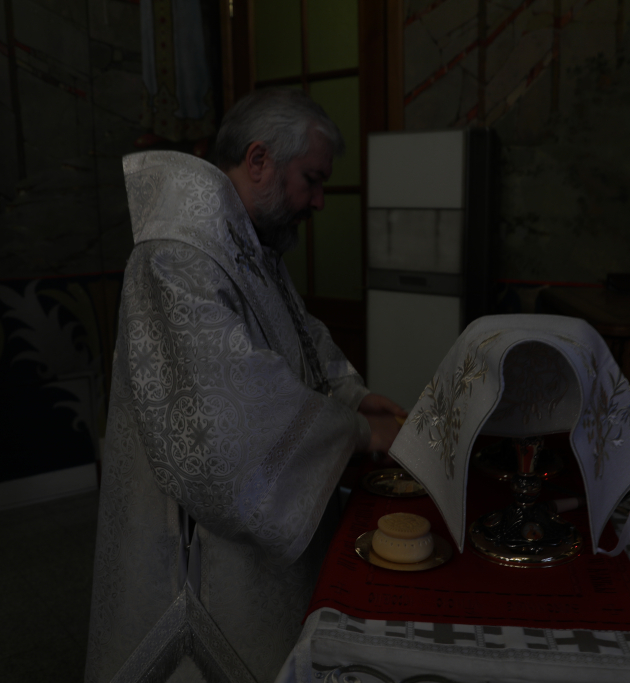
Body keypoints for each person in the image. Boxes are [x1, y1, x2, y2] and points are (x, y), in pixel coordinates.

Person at [84, 89, 405, 683]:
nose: (319, 201)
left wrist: (352, 395)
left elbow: (298, 335)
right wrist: (358, 432)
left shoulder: (247, 242)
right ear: (259, 160)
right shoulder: (177, 256)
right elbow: (229, 417)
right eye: (312, 179)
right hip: (197, 559)